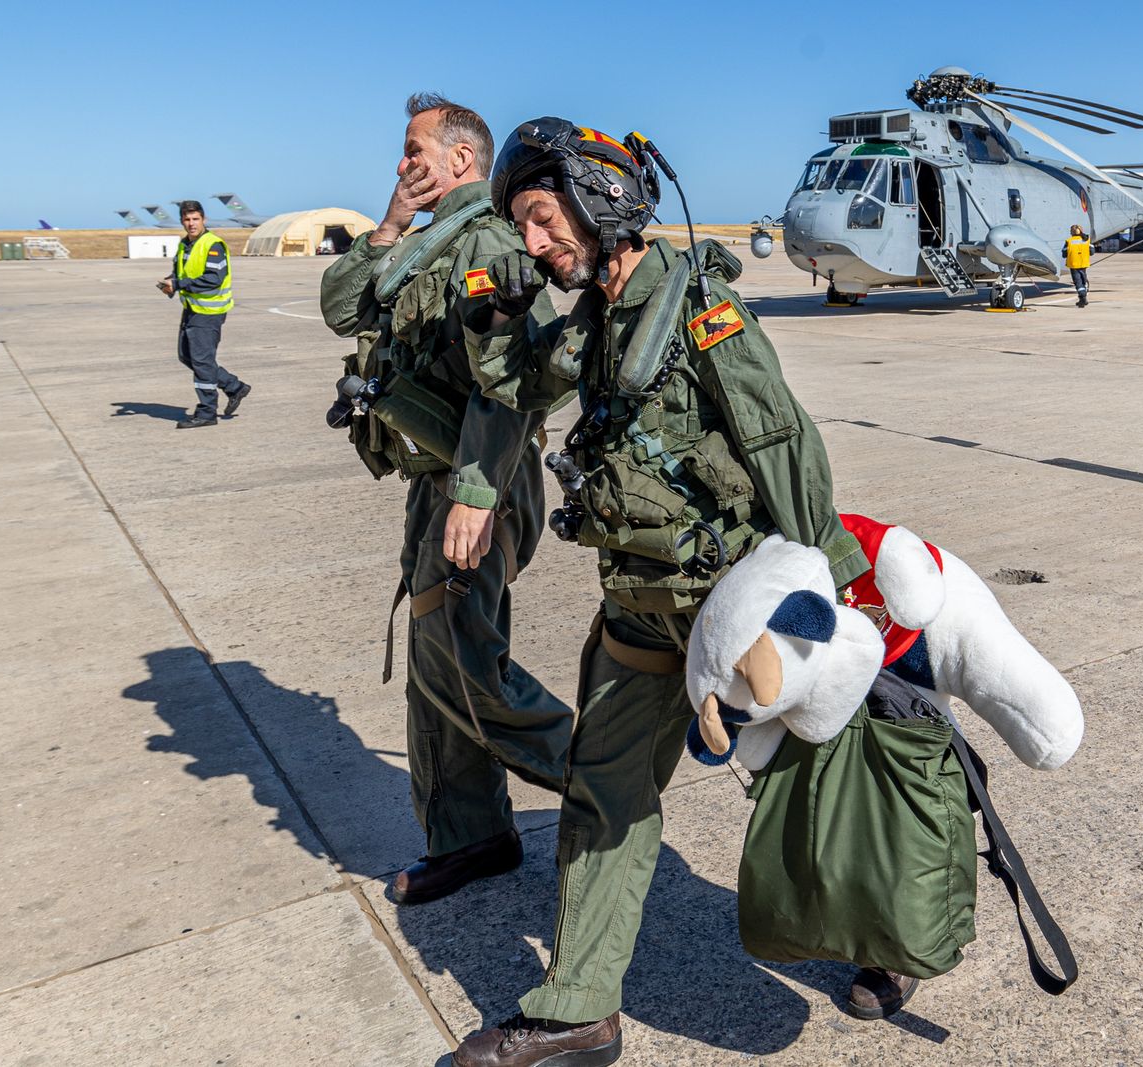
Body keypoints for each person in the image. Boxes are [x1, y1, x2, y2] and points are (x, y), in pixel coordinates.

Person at [447, 118, 888, 1067]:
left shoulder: (698, 310)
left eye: (541, 216)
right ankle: (577, 1007)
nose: (534, 240)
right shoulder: (590, 324)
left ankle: (886, 938)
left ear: (600, 196)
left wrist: (834, 584)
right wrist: (492, 311)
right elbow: (518, 384)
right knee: (602, 793)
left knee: (823, 776)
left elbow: (781, 442)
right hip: (639, 606)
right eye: (522, 226)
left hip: (736, 611)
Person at [319, 95, 575, 909]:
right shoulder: (422, 242)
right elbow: (341, 308)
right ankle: (471, 835)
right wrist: (391, 222)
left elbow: (519, 382)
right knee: (434, 668)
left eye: (414, 149)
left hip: (479, 481)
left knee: (465, 662)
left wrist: (475, 492)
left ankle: (604, 777)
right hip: (434, 483)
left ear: (462, 158)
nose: (402, 163)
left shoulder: (491, 242)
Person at [158, 201, 250, 428]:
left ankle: (207, 412)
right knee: (187, 357)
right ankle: (234, 386)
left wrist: (179, 284)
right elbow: (182, 272)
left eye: (195, 219)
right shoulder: (185, 245)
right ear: (182, 221)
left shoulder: (213, 244)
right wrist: (171, 282)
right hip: (191, 309)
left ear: (203, 220)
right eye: (187, 219)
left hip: (209, 312)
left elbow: (213, 278)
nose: (191, 224)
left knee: (201, 361)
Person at [1063, 223, 1092, 307]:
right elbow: (1092, 252)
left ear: (1072, 232)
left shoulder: (1069, 241)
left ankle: (1083, 297)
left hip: (1074, 265)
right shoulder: (1086, 240)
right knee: (1083, 281)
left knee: (1078, 282)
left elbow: (1064, 254)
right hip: (1084, 264)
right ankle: (1083, 299)